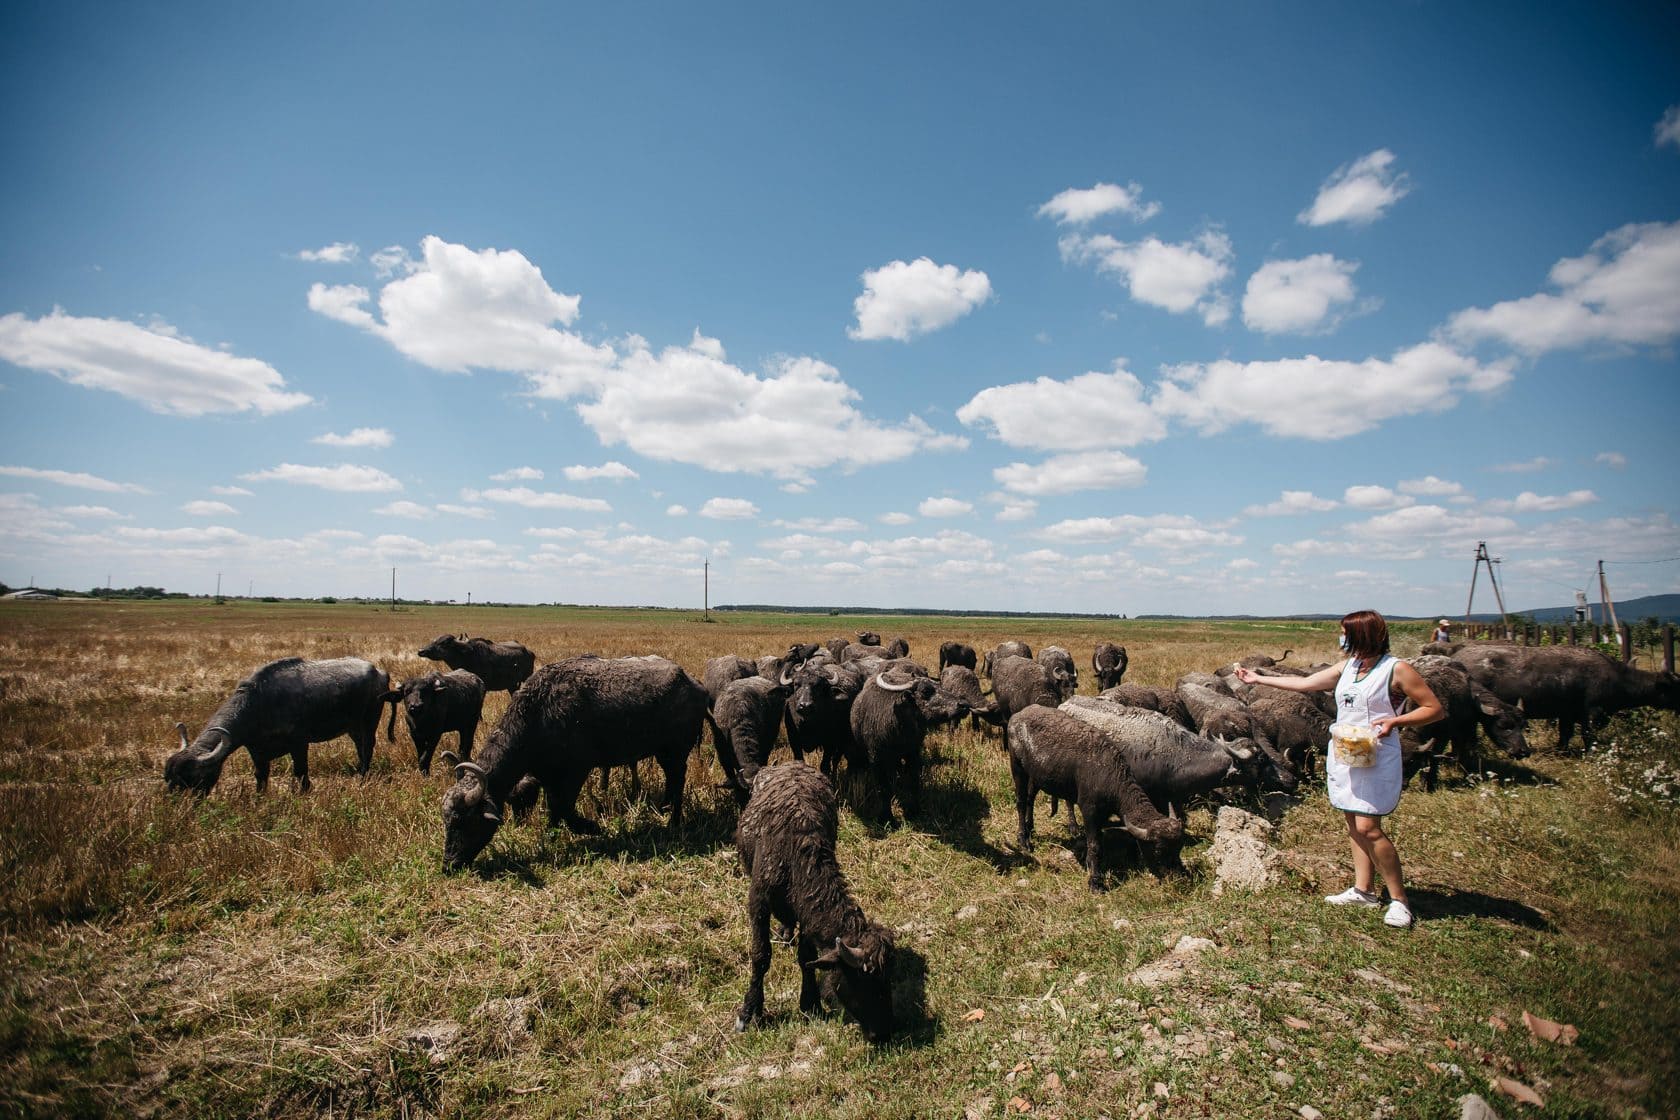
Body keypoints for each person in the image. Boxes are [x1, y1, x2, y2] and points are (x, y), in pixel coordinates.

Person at [1235, 609, 1442, 928]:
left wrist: (1396, 721)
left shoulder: (1396, 669)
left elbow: (1434, 708)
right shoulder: (1349, 667)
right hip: (1347, 752)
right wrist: (1258, 678)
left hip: (1376, 754)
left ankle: (1399, 900)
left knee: (1368, 827)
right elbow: (1305, 683)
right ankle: (1364, 890)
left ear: (1362, 634)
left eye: (1345, 632)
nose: (1341, 637)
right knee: (1353, 822)